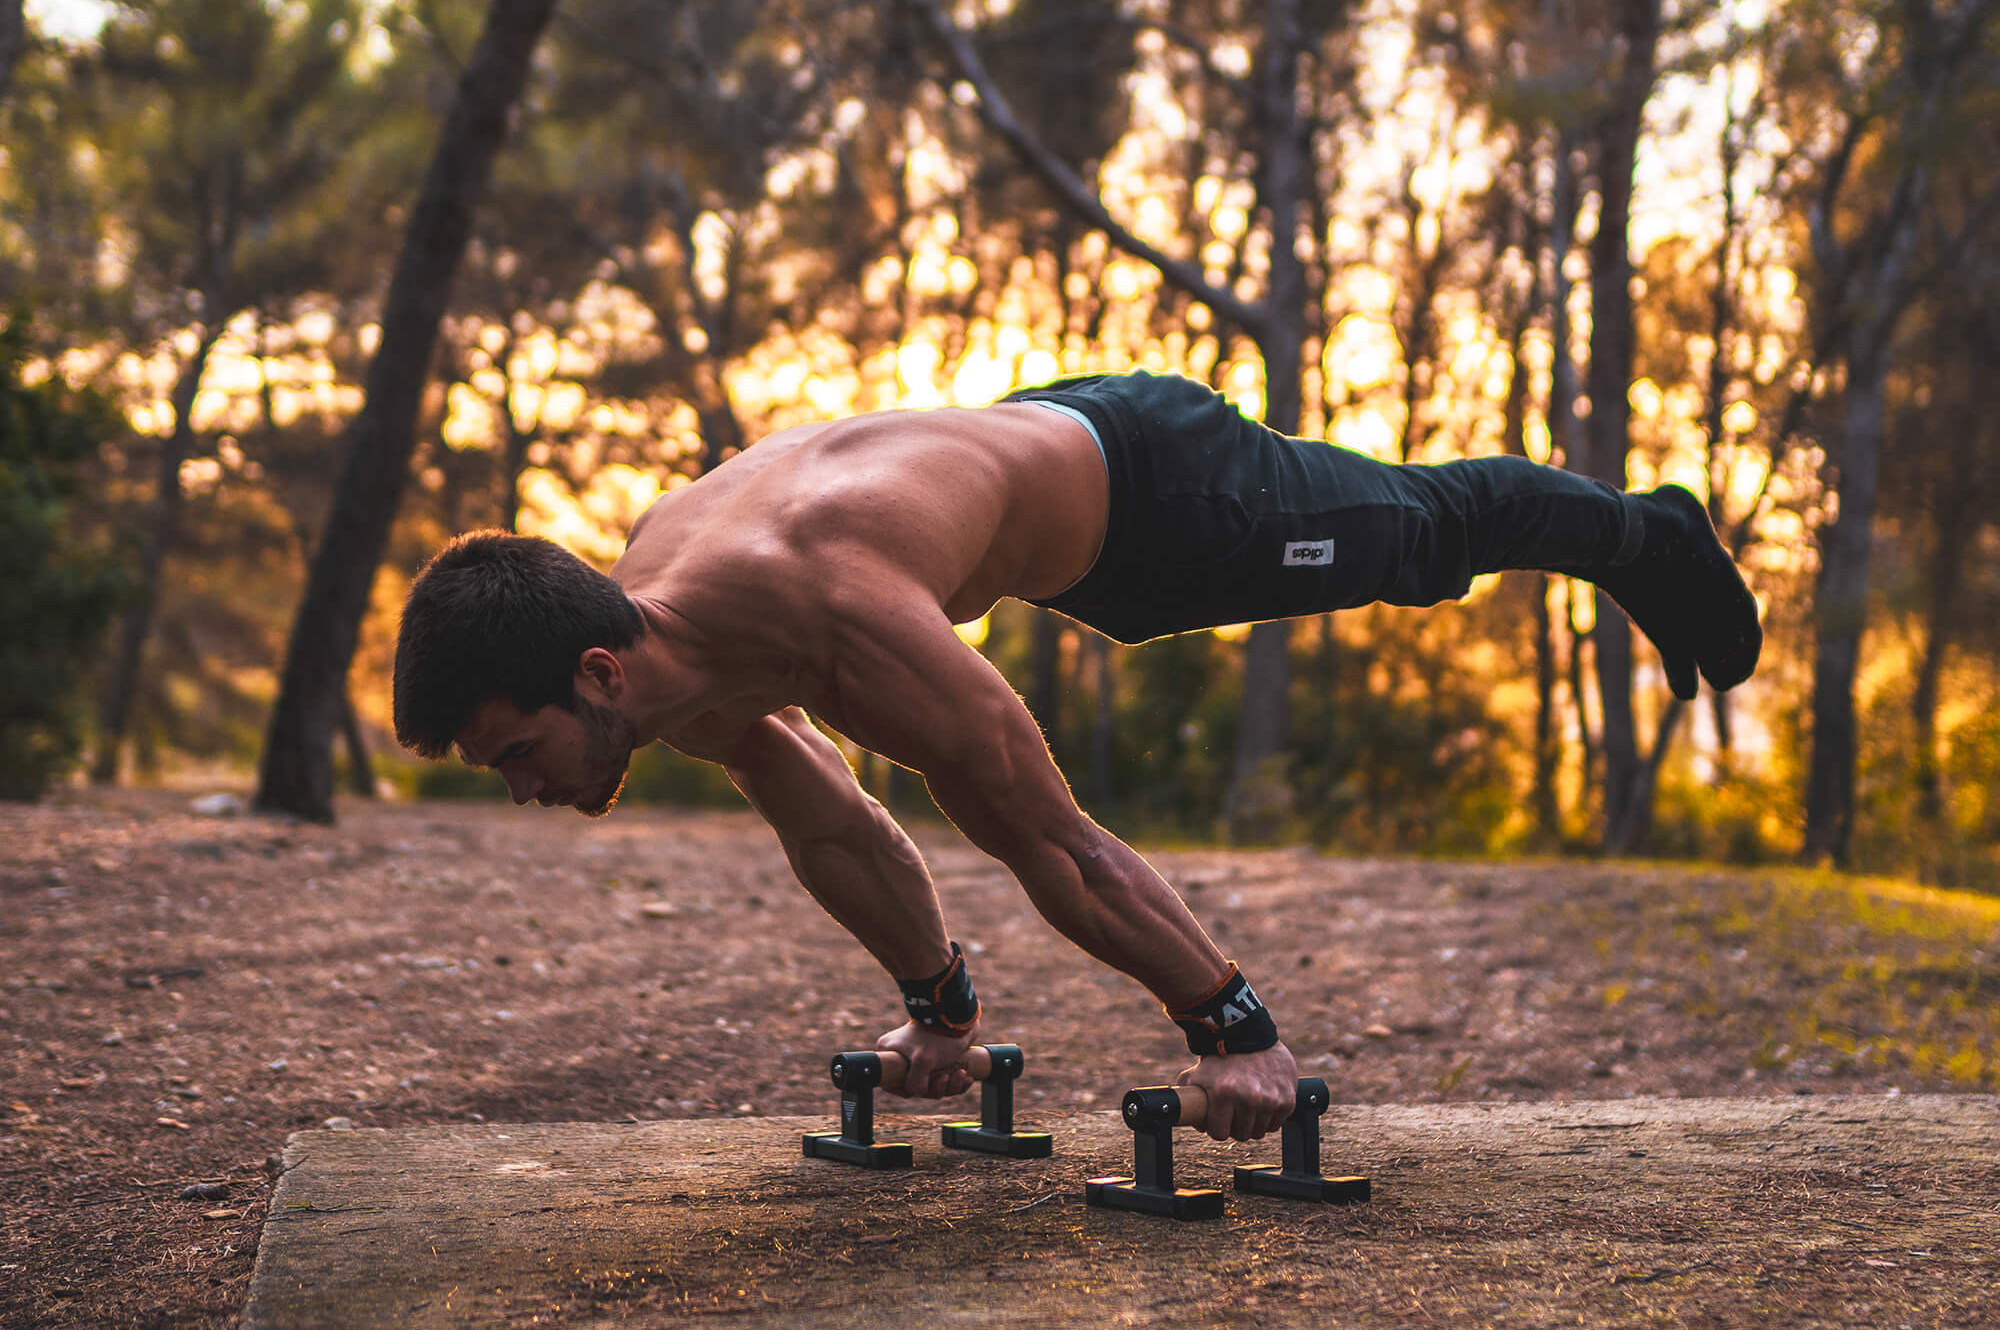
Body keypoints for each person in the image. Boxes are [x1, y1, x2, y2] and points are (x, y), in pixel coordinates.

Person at [392, 370, 1761, 1141]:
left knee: (1419, 535)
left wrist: (1227, 1026)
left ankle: (1650, 533)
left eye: (518, 754)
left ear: (594, 674)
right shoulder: (659, 639)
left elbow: (1050, 840)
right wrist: (940, 1006)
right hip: (1046, 481)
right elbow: (838, 831)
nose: (525, 789)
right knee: (1411, 538)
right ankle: (1640, 537)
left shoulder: (836, 609)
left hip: (1167, 489)